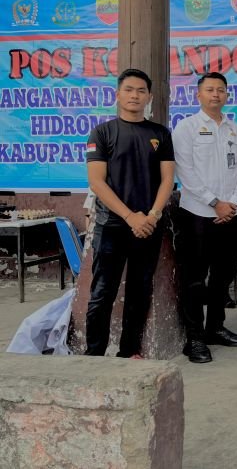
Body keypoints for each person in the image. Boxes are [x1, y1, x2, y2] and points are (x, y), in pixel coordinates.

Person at [85, 69, 175, 358]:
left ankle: (129, 351)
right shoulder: (102, 133)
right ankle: (94, 354)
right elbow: (97, 182)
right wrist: (129, 216)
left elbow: (167, 179)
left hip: (148, 226)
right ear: (118, 94)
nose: (134, 95)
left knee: (139, 291)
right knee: (102, 293)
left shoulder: (160, 134)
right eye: (128, 90)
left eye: (141, 91)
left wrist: (152, 215)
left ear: (149, 97)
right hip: (111, 225)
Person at [173, 72, 237, 363]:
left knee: (223, 275)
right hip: (197, 214)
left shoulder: (235, 129)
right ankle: (194, 338)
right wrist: (214, 202)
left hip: (230, 214)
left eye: (220, 89)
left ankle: (215, 328)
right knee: (194, 278)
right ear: (198, 95)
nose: (215, 94)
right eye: (210, 89)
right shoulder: (187, 128)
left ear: (227, 95)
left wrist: (232, 203)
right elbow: (185, 171)